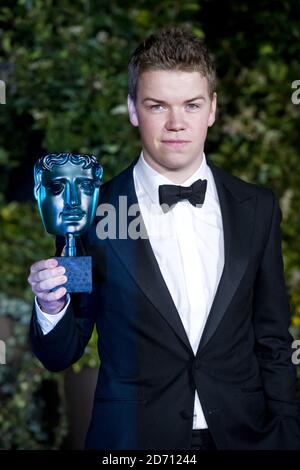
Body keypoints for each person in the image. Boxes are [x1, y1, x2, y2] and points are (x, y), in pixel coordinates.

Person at [28, 27, 300, 450]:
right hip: (134, 444)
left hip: (249, 439)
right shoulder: (96, 215)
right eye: (158, 105)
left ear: (212, 108)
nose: (176, 124)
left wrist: (287, 431)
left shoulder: (256, 207)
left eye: (191, 105)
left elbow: (273, 338)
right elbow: (62, 352)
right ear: (134, 110)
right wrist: (51, 306)